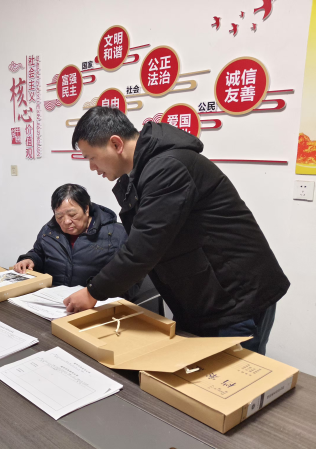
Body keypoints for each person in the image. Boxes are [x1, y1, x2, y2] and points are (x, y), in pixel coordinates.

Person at [63, 106, 289, 355]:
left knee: (232, 377)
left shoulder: (168, 167)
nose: (92, 167)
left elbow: (143, 248)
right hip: (206, 297)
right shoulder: (145, 171)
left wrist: (94, 292)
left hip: (235, 298)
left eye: (92, 157)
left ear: (116, 144)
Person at [14, 183, 139, 299]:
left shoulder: (117, 234)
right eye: (59, 216)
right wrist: (30, 259)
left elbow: (130, 279)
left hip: (95, 303)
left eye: (72, 215)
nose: (66, 221)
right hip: (53, 300)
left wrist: (95, 294)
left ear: (86, 209)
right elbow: (39, 253)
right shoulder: (49, 231)